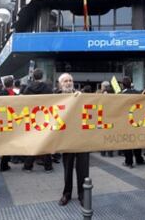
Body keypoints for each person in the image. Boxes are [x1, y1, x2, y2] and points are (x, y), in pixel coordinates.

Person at [57, 73, 90, 207]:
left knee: (83, 169)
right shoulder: (53, 97)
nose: (69, 82)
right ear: (60, 84)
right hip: (66, 139)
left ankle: (83, 194)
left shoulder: (80, 96)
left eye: (70, 80)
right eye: (66, 81)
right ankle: (67, 194)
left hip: (81, 138)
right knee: (68, 167)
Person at [22, 69, 54, 173]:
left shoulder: (28, 88)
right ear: (42, 76)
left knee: (33, 142)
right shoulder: (47, 88)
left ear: (33, 76)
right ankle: (48, 167)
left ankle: (28, 165)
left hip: (32, 118)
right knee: (45, 142)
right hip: (44, 117)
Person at [121, 76, 145, 168]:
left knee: (127, 142)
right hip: (136, 120)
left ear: (122, 85)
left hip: (125, 122)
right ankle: (139, 159)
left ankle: (129, 162)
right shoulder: (137, 93)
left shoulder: (119, 95)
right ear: (131, 83)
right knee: (136, 141)